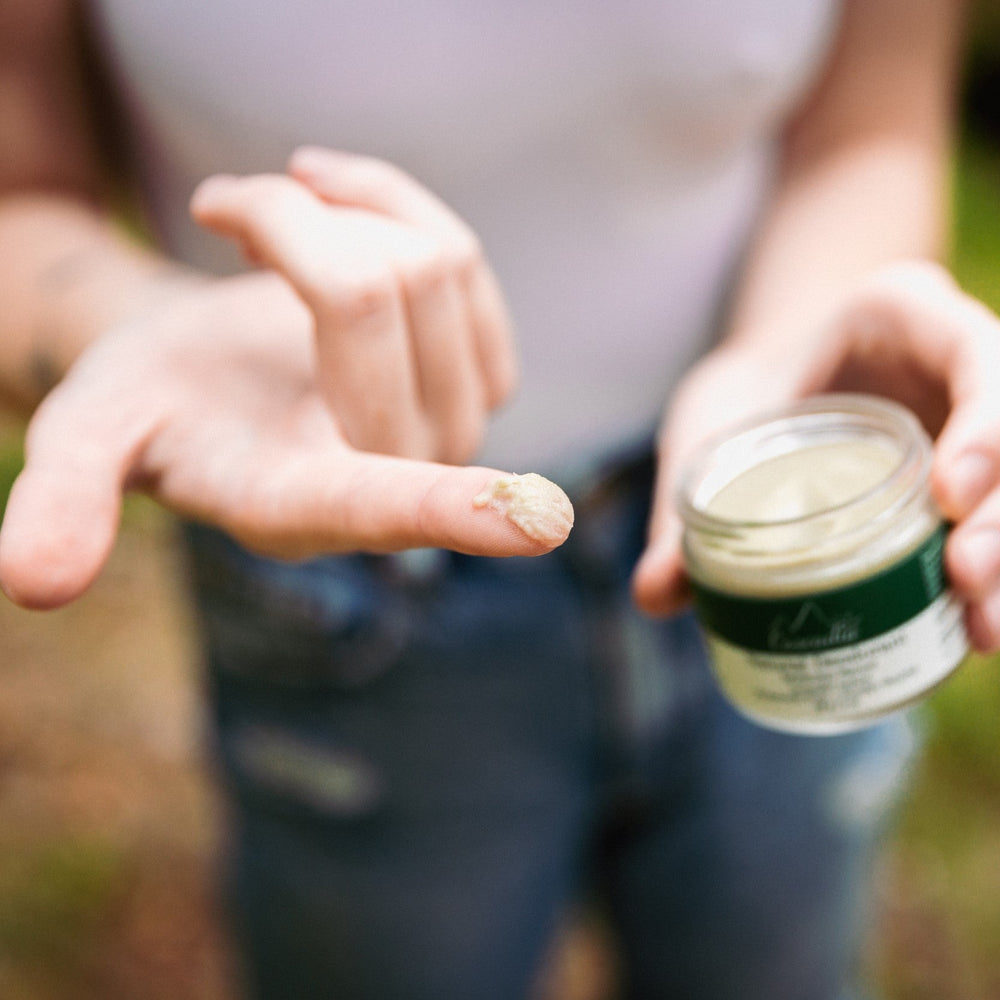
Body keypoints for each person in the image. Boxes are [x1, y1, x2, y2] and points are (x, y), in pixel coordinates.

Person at [0, 0, 996, 997]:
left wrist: (804, 342)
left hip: (764, 526)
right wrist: (131, 325)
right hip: (337, 575)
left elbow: (868, 128)